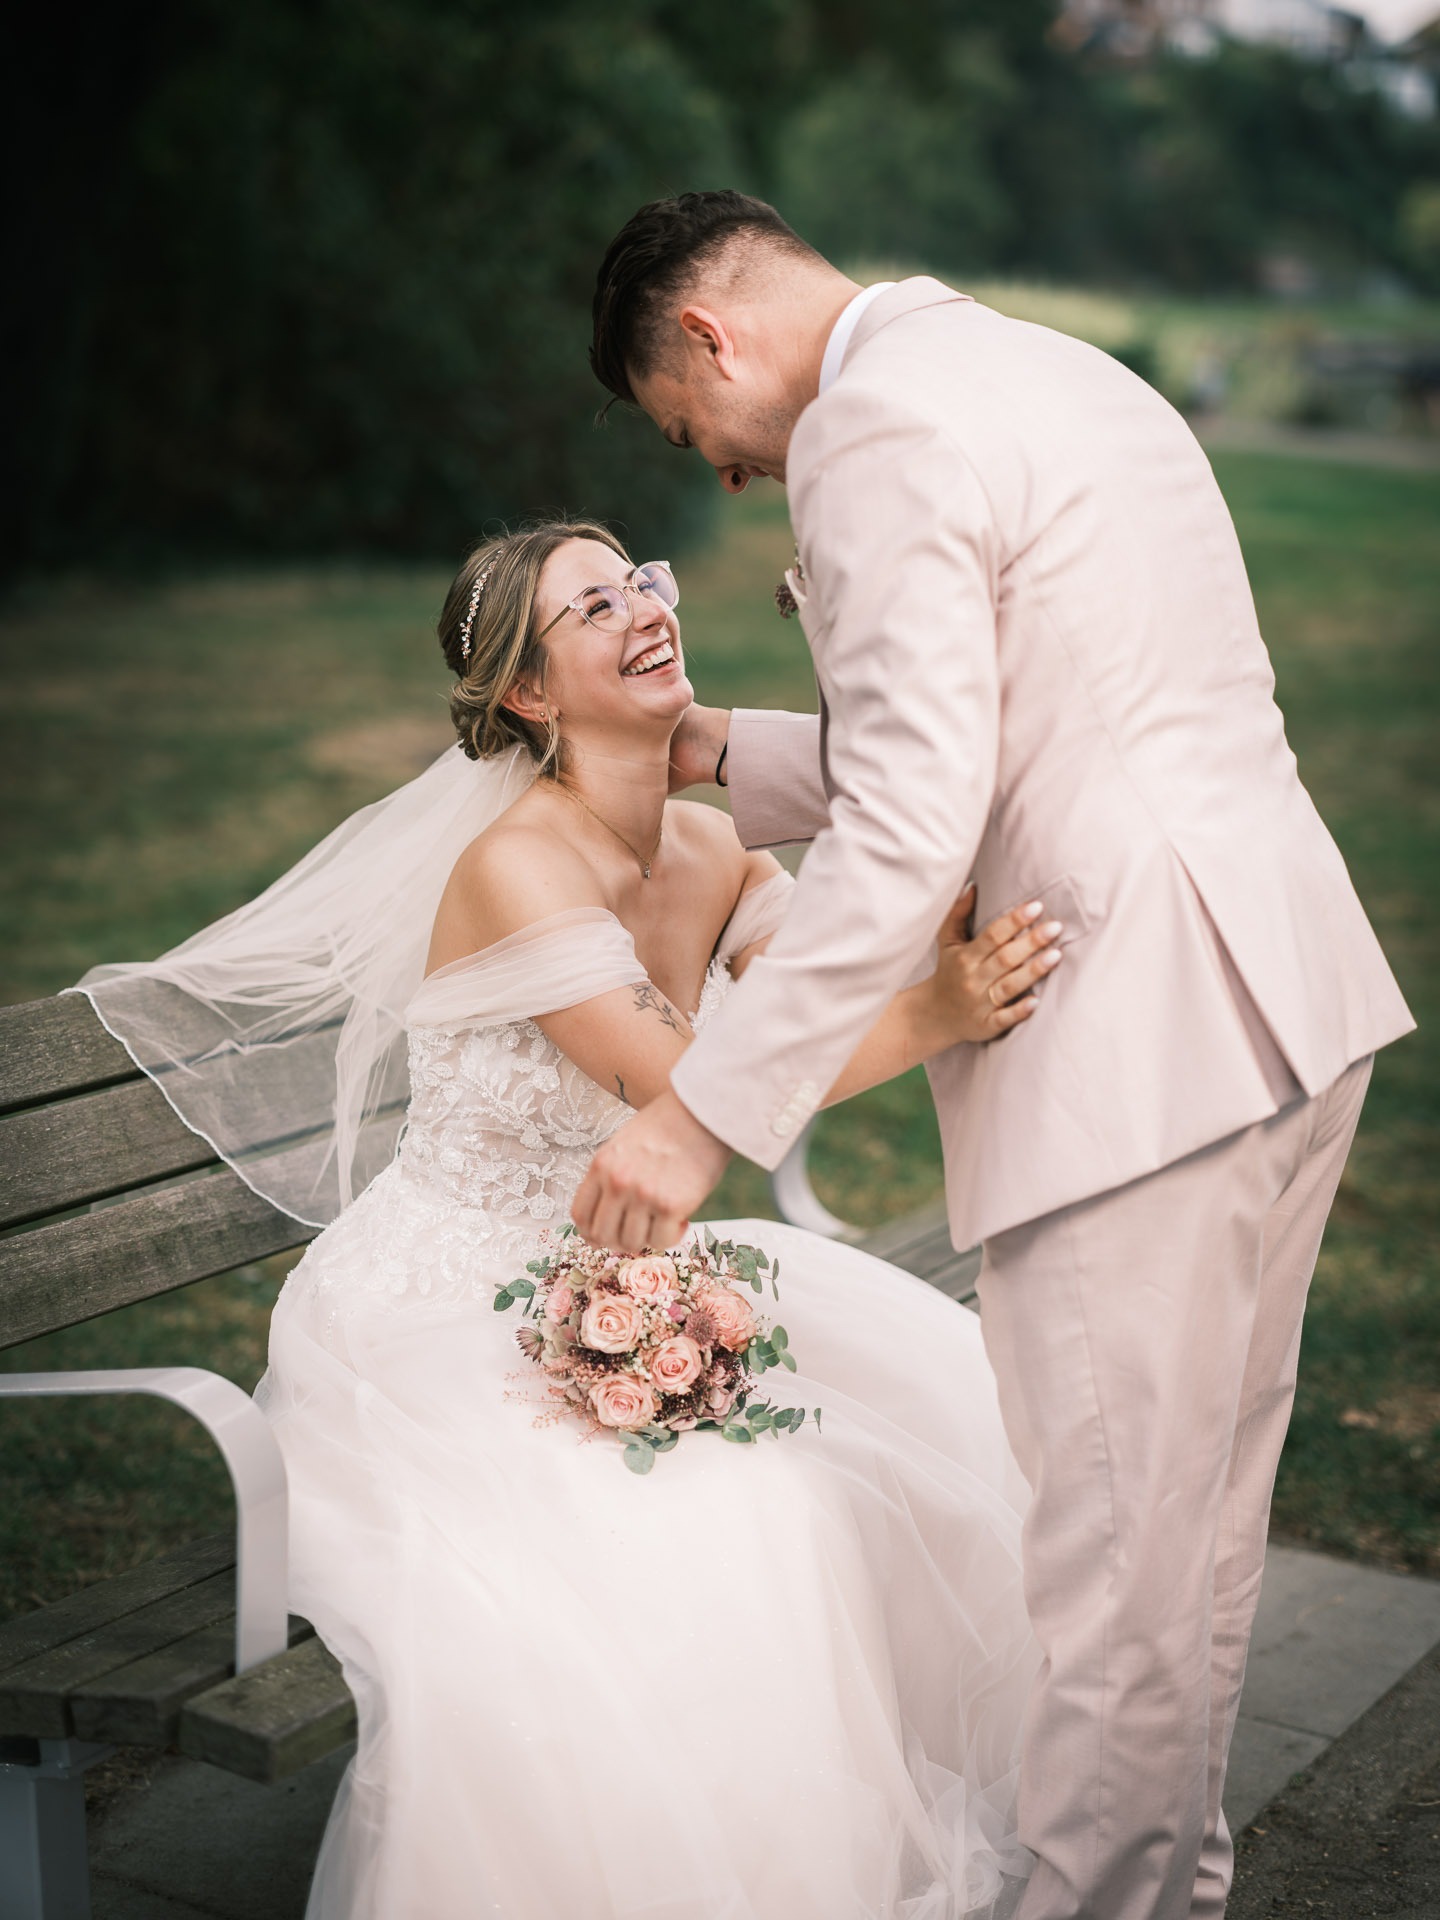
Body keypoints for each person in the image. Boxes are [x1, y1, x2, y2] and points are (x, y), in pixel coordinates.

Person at [577, 191, 1416, 1920]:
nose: (729, 475)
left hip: (1133, 1056)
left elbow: (910, 826)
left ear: (709, 338)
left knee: (1113, 1579)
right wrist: (724, 745)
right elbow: (1035, 713)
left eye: (695, 437)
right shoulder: (1059, 371)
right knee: (1190, 1548)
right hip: (1288, 1004)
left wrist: (702, 1115)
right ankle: (1171, 1890)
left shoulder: (870, 433)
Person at [75, 518, 1071, 1919]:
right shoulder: (515, 867)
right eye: (593, 608)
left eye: (642, 582)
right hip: (435, 1313)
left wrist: (924, 931)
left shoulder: (714, 848)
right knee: (743, 1520)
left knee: (935, 1432)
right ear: (529, 696)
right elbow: (695, 1089)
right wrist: (939, 1008)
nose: (644, 610)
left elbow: (806, 1008)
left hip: (628, 1267)